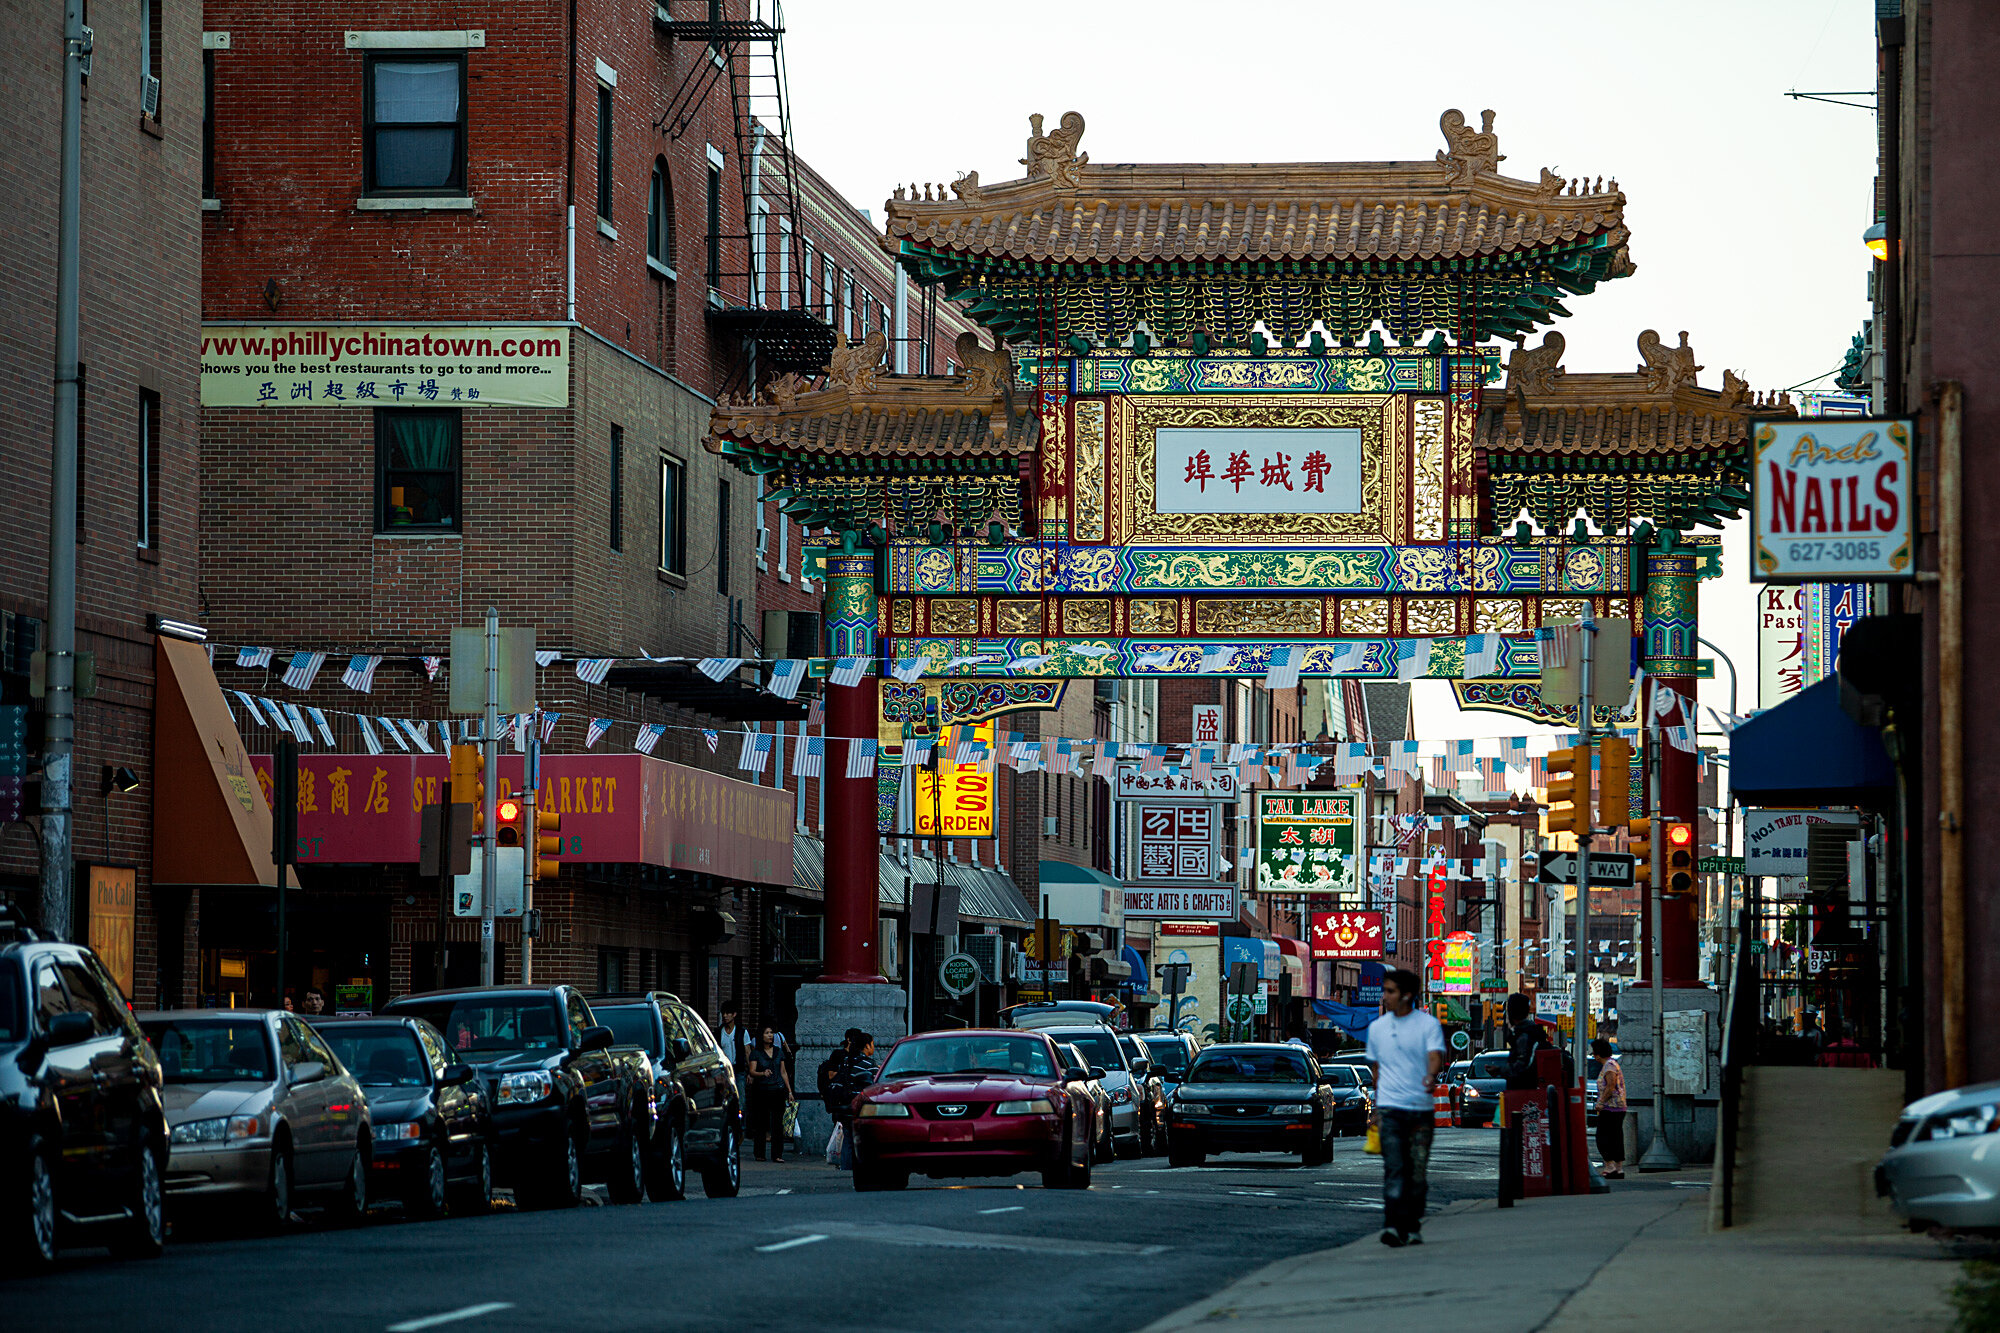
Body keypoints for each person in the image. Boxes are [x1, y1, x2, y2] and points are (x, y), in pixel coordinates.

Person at [1366, 968, 1445, 1247]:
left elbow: (1435, 1057)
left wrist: (1430, 1076)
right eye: (1385, 990)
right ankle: (1392, 1226)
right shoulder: (1377, 1028)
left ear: (1407, 995)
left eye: (1390, 991)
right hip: (1390, 1109)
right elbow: (1377, 1070)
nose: (1385, 996)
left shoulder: (1427, 1025)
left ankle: (1412, 1225)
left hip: (1420, 1110)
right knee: (1395, 1168)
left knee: (1417, 1171)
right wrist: (1375, 1108)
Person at [827, 1031, 879, 1168]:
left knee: (848, 1139)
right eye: (872, 1044)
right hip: (861, 1108)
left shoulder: (847, 1061)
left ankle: (846, 1169)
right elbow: (875, 1086)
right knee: (864, 1140)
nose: (874, 1047)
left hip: (845, 1106)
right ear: (867, 1046)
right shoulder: (869, 1064)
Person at [745, 1024, 795, 1162]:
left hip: (777, 1089)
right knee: (761, 1123)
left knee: (777, 1124)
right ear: (761, 1036)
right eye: (767, 1033)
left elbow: (783, 1072)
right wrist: (762, 1073)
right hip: (761, 1090)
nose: (770, 1035)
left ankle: (777, 1154)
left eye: (771, 1033)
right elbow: (752, 1071)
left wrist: (789, 1091)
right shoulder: (756, 1053)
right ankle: (760, 1153)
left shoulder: (779, 1051)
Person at [1592, 1038, 1627, 1179]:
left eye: (1594, 1052)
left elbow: (1610, 1085)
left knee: (1602, 1137)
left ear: (1598, 1054)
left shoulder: (1609, 1066)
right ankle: (1618, 1169)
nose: (1593, 1055)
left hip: (1610, 1107)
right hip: (1617, 1107)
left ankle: (1610, 1165)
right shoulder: (1611, 1064)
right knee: (1615, 1137)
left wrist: (1601, 1102)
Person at [715, 1003, 749, 1077]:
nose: (724, 1016)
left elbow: (747, 1052)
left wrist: (750, 1072)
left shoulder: (742, 1032)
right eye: (723, 1013)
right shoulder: (718, 1032)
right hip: (723, 1070)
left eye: (727, 1013)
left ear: (734, 1014)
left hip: (739, 1070)